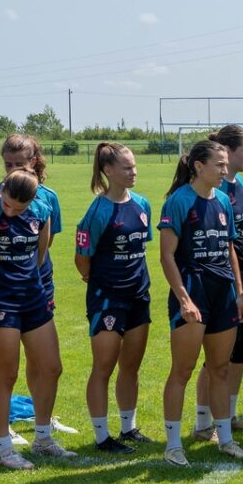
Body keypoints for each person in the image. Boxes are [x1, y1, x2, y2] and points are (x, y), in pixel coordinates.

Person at [0, 167, 69, 469]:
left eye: (18, 209)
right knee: (6, 373)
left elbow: (41, 252)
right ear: (3, 190)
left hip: (33, 298)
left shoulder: (42, 210)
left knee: (51, 367)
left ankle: (43, 439)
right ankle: (4, 449)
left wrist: (28, 279)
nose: (9, 211)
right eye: (7, 204)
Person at [158, 139, 243, 466]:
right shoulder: (178, 201)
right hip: (193, 289)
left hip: (223, 291)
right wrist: (184, 299)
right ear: (199, 166)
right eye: (219, 165)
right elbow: (166, 256)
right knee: (182, 370)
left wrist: (239, 292)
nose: (225, 170)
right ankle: (173, 445)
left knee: (219, 369)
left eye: (226, 164)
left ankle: (225, 439)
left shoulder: (223, 200)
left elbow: (230, 249)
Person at [75, 142, 155, 453]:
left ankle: (128, 427)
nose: (134, 171)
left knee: (131, 365)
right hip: (107, 298)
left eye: (134, 166)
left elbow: (141, 248)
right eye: (127, 167)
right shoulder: (98, 211)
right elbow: (82, 257)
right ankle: (102, 437)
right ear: (108, 170)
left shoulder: (142, 204)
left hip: (139, 295)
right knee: (104, 366)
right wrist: (94, 280)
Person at [197, 125, 243, 440]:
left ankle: (230, 414)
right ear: (228, 151)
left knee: (242, 345)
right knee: (217, 352)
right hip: (220, 274)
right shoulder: (214, 189)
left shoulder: (240, 184)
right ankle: (203, 422)